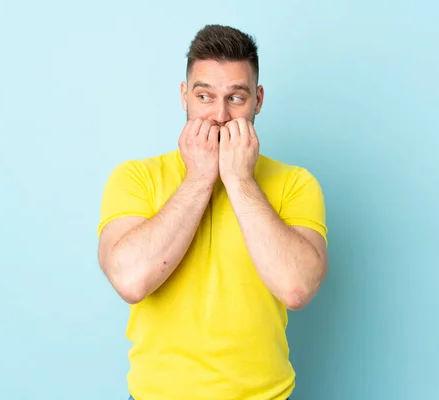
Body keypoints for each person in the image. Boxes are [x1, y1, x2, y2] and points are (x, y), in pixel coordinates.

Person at [97, 24, 328, 400]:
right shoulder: (135, 177)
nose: (219, 114)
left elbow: (296, 287)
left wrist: (240, 181)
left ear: (258, 100)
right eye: (205, 96)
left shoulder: (296, 183)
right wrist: (199, 180)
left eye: (236, 98)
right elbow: (130, 281)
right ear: (184, 96)